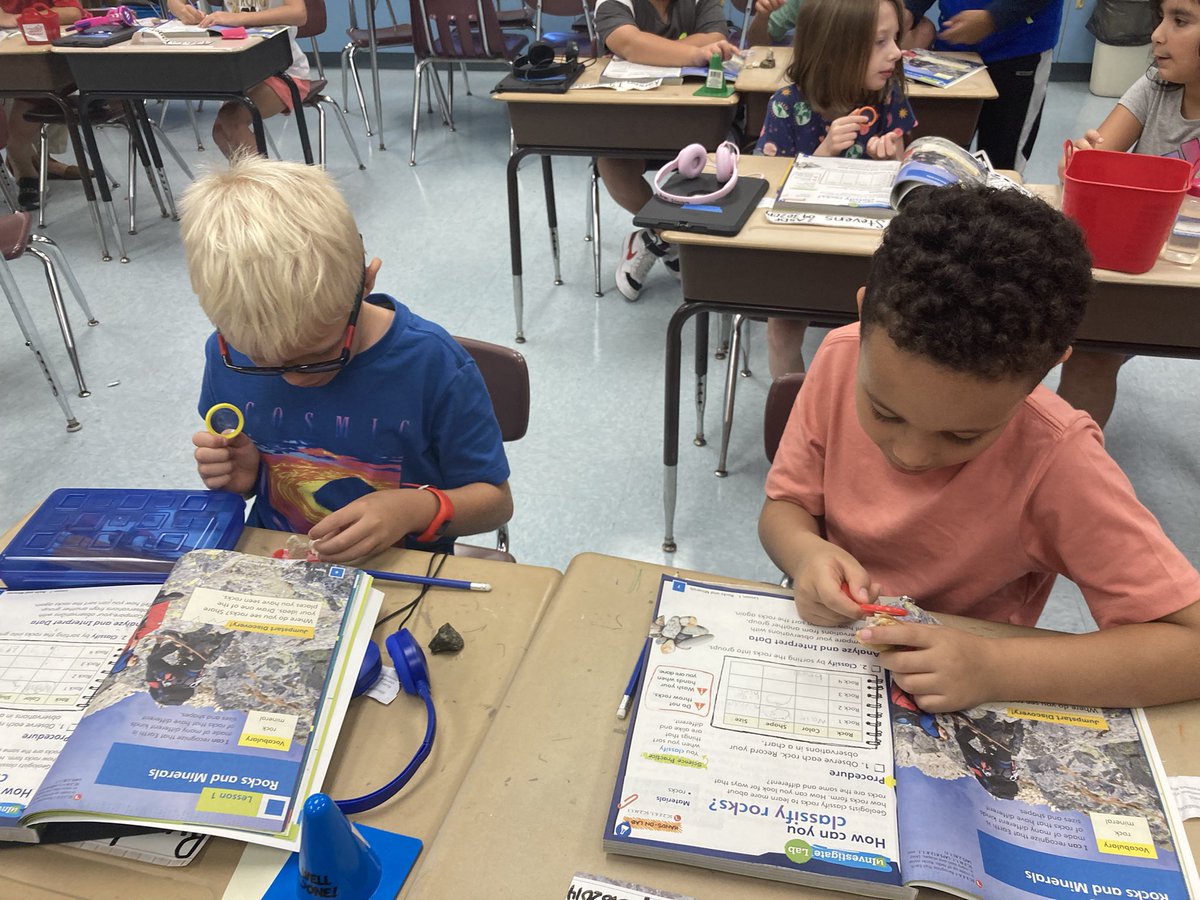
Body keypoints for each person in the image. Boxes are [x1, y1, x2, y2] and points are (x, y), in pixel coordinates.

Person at [758, 185, 1200, 713]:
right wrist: (806, 553)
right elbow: (786, 507)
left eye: (963, 436)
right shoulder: (837, 359)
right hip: (832, 657)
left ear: (1048, 367)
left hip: (968, 689)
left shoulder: (1058, 459)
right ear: (862, 317)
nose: (912, 454)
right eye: (885, 412)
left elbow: (1189, 645)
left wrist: (993, 668)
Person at [184, 155, 513, 564]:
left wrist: (412, 509)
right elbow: (255, 482)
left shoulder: (434, 366)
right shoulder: (226, 353)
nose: (293, 380)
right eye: (261, 361)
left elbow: (496, 503)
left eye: (319, 356)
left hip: (400, 569)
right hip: (277, 563)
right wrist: (245, 478)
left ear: (366, 282)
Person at [1056, 0, 1200, 427]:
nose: (1156, 34)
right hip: (1143, 274)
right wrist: (1079, 162)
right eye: (1161, 17)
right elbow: (1096, 160)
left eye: (1180, 21)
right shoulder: (1156, 84)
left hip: (1187, 282)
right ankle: (1062, 468)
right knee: (1091, 355)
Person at [756, 0, 915, 378]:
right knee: (781, 328)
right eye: (880, 41)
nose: (895, 52)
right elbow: (766, 194)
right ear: (834, 47)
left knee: (891, 330)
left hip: (871, 251)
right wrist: (824, 153)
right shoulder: (786, 105)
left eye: (894, 38)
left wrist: (894, 162)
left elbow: (910, 176)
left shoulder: (888, 94)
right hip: (803, 249)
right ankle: (796, 418)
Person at [593, 0, 741, 301]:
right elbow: (630, 43)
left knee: (729, 155)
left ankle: (651, 238)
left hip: (696, 119)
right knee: (611, 159)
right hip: (632, 118)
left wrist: (655, 50)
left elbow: (715, 37)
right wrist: (691, 52)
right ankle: (671, 237)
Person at [903, 0, 1060, 172]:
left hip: (1020, 50)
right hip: (954, 48)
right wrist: (910, 9)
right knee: (940, 159)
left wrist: (993, 18)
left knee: (1002, 166)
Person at [165, 0, 311, 158]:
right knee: (221, 132)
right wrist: (181, 10)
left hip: (283, 71)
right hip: (242, 71)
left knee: (231, 121)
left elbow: (298, 14)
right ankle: (256, 180)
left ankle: (266, 182)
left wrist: (238, 18)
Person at [1, 0, 86, 210]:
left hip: (36, 66)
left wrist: (18, 19)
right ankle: (30, 164)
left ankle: (25, 172)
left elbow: (74, 13)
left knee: (18, 131)